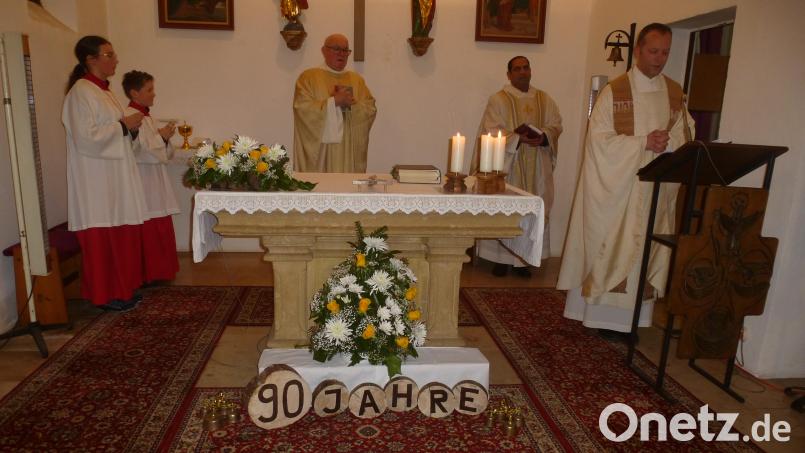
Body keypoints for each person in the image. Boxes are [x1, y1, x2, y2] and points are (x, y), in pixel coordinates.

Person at [557, 23, 694, 340]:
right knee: (614, 244)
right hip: (621, 189)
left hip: (655, 190)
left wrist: (669, 142)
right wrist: (642, 143)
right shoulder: (615, 92)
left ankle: (633, 319)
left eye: (665, 52)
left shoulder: (675, 93)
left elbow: (687, 133)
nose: (659, 59)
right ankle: (600, 315)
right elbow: (599, 140)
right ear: (638, 51)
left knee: (645, 247)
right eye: (653, 51)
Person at [62, 36, 148, 311]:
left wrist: (130, 130)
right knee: (102, 239)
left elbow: (115, 132)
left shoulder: (105, 92)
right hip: (95, 179)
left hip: (114, 176)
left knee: (119, 234)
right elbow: (84, 137)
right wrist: (123, 126)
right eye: (109, 55)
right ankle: (105, 294)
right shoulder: (81, 92)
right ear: (91, 59)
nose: (115, 59)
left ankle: (121, 289)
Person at [471, 56, 563, 277]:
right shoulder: (499, 100)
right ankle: (501, 259)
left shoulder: (545, 99)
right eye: (517, 69)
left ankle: (524, 262)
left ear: (531, 71)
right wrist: (517, 138)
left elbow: (556, 125)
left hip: (537, 167)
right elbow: (491, 131)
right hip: (509, 165)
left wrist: (544, 137)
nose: (523, 72)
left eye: (526, 68)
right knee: (507, 208)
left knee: (531, 209)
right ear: (509, 74)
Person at [122, 70, 180, 285]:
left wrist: (163, 138)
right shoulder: (128, 115)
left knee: (159, 221)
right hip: (142, 179)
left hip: (154, 178)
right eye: (149, 90)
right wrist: (161, 137)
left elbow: (159, 151)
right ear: (134, 93)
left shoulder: (146, 116)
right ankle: (149, 273)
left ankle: (161, 271)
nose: (154, 94)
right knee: (148, 224)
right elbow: (138, 151)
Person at [293, 33, 377, 173]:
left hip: (348, 150)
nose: (342, 54)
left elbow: (370, 109)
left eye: (345, 50)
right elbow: (302, 109)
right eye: (336, 49)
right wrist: (333, 102)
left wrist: (352, 104)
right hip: (322, 154)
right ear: (324, 51)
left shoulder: (357, 81)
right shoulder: (308, 78)